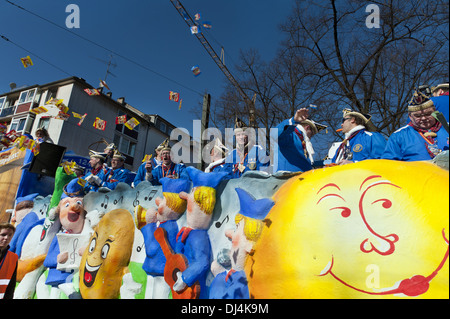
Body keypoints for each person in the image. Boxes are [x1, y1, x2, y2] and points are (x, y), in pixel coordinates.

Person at [383, 89, 449, 161]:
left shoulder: (447, 128)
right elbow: (388, 163)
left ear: (435, 112)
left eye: (428, 114)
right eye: (418, 116)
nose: (423, 118)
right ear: (410, 117)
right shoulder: (398, 136)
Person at [274, 108, 327, 172]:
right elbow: (276, 133)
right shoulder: (291, 135)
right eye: (312, 133)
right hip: (287, 179)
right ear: (308, 127)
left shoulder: (303, 142)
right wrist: (293, 120)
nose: (311, 136)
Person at [0, 223, 18, 299]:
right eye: (3, 235)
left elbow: (11, 285)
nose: (6, 238)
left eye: (10, 235)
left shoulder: (13, 258)